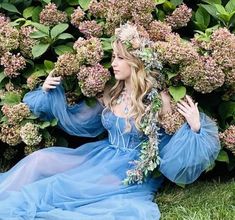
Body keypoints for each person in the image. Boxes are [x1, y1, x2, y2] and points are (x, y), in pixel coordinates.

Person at [0, 23, 220, 220]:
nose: (113, 63)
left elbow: (170, 153)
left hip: (131, 169)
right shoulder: (111, 93)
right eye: (113, 56)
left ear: (136, 62)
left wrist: (195, 128)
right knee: (39, 160)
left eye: (120, 58)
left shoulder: (156, 99)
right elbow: (78, 120)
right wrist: (49, 92)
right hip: (100, 155)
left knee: (61, 187)